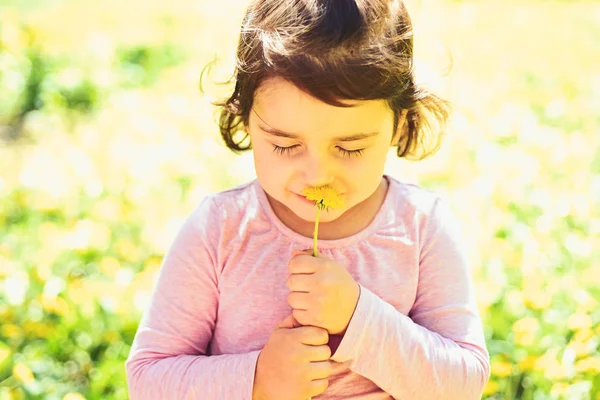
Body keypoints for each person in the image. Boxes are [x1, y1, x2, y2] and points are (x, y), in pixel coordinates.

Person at [125, 0, 491, 399]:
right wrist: (259, 379)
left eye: (350, 148)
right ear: (245, 118)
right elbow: (148, 380)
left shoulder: (421, 227)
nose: (318, 175)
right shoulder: (221, 230)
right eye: (284, 144)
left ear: (398, 125)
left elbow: (463, 385)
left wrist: (357, 319)